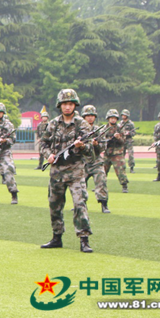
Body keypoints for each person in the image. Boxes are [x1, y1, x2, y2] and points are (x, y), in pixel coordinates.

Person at [39, 89, 94, 253]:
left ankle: (84, 239)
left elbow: (91, 150)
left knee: (79, 204)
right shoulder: (53, 124)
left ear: (75, 105)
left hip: (75, 170)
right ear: (60, 105)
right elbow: (43, 144)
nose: (67, 107)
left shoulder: (82, 124)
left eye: (70, 104)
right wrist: (48, 155)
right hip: (57, 171)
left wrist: (82, 146)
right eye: (64, 104)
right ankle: (57, 237)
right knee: (54, 205)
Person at [81, 105, 111, 213]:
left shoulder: (99, 130)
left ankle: (104, 204)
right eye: (87, 116)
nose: (90, 118)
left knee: (101, 182)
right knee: (79, 185)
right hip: (82, 162)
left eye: (92, 116)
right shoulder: (79, 130)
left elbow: (103, 147)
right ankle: (80, 204)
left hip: (96, 161)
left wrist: (96, 145)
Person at [102, 109, 129, 194]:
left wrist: (118, 138)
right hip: (107, 152)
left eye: (114, 118)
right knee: (102, 171)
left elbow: (123, 141)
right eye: (111, 118)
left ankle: (124, 186)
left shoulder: (120, 129)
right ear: (108, 118)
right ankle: (100, 186)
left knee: (120, 170)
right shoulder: (104, 129)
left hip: (117, 153)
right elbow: (101, 140)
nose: (113, 120)